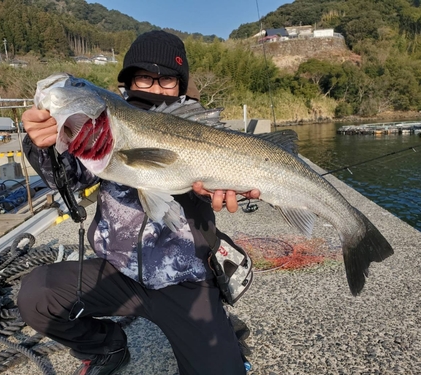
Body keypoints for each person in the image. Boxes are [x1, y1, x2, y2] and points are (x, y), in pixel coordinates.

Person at [17, 30, 260, 375]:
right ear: (129, 81)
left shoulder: (198, 131)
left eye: (168, 80)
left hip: (184, 279)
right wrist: (42, 145)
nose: (157, 88)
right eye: (145, 77)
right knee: (35, 296)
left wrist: (232, 184)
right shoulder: (105, 126)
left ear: (181, 85)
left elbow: (233, 172)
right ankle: (107, 344)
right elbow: (69, 181)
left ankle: (223, 330)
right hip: (117, 270)